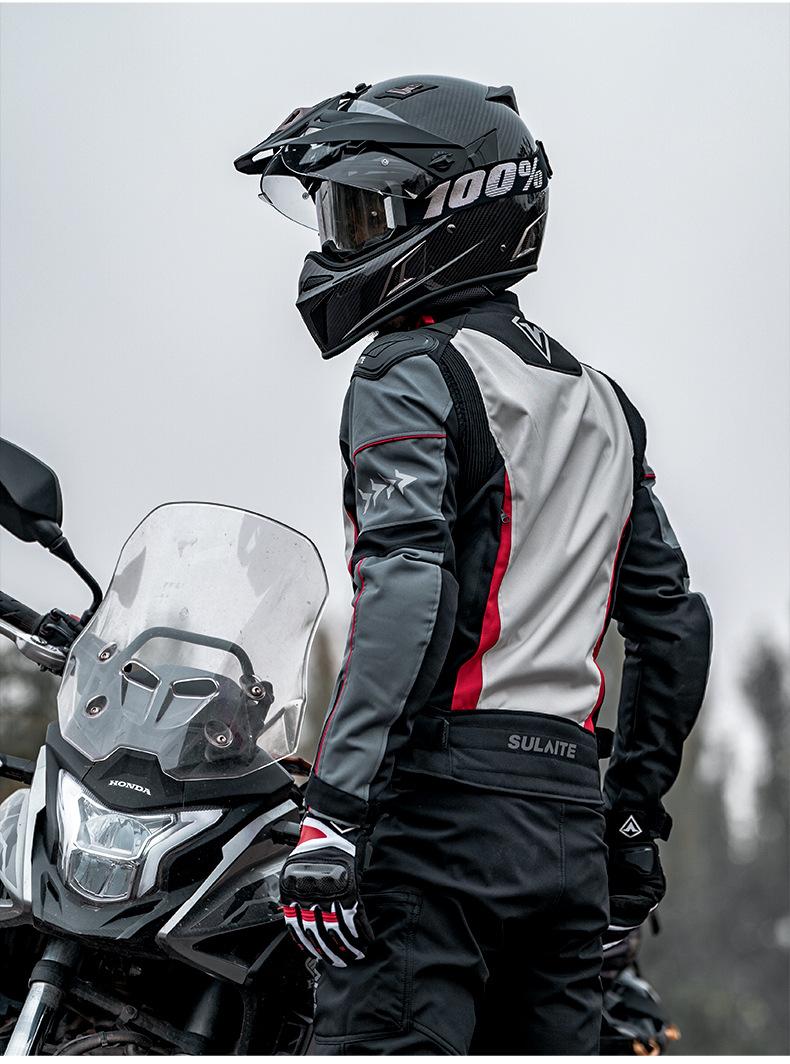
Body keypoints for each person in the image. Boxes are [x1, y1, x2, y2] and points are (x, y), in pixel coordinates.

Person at [236, 75, 712, 1055]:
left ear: (456, 211)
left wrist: (334, 810)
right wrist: (630, 824)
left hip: (438, 823)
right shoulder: (603, 401)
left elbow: (407, 589)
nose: (340, 241)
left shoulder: (409, 368)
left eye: (365, 214)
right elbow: (672, 625)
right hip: (568, 830)